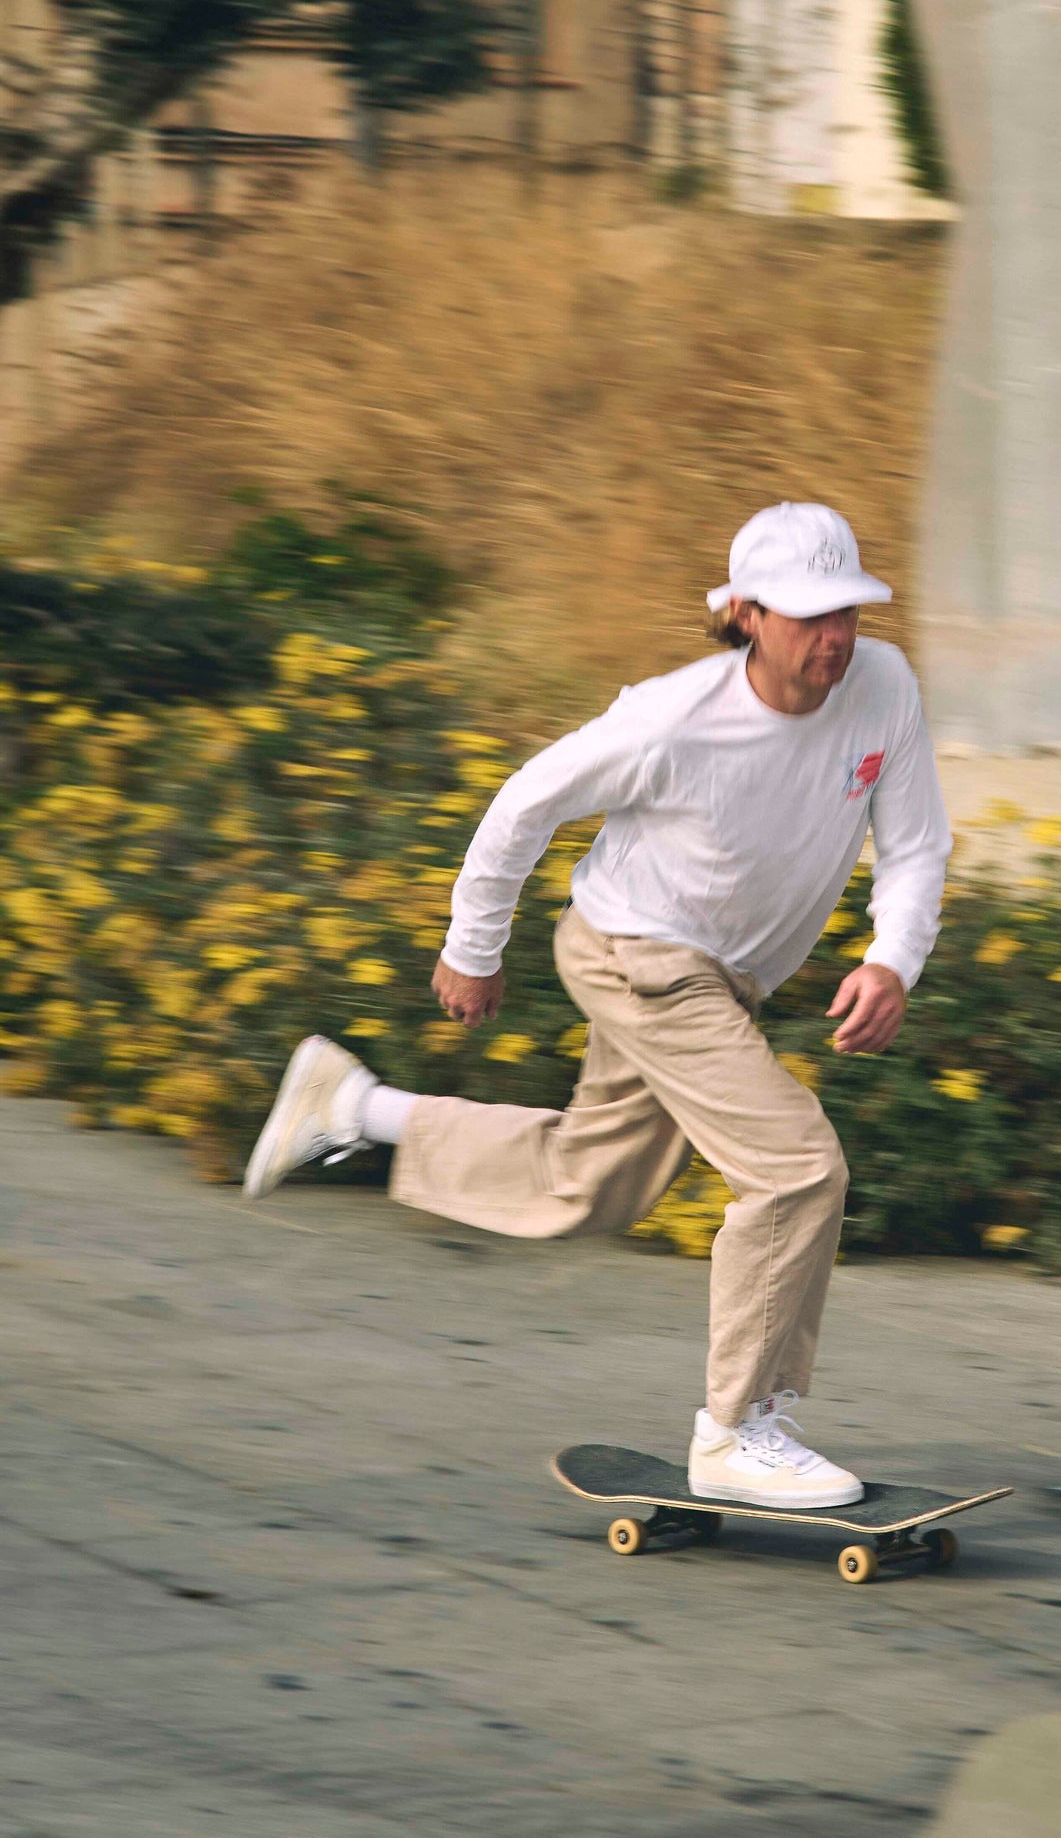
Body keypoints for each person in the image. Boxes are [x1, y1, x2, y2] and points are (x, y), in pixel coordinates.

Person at [244, 502, 952, 1507]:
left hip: (722, 979)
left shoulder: (880, 685)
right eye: (807, 616)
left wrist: (891, 959)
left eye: (845, 609)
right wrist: (472, 948)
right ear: (745, 613)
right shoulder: (670, 719)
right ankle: (737, 1428)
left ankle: (348, 1105)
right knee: (796, 1168)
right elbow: (523, 803)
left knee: (588, 1184)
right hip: (637, 957)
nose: (834, 635)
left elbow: (916, 841)